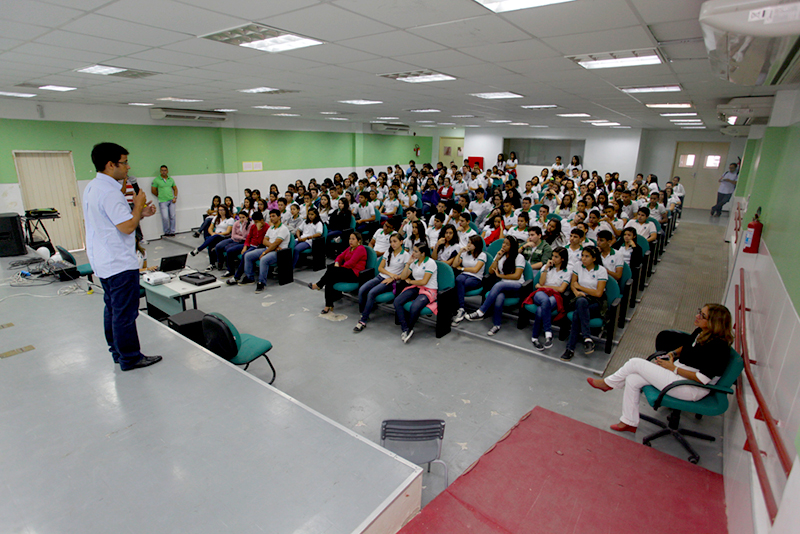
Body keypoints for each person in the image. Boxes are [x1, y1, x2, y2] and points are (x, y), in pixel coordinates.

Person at [587, 304, 734, 433]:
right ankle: (629, 422)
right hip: (680, 375)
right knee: (633, 379)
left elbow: (703, 379)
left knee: (635, 363)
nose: (697, 316)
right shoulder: (701, 332)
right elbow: (688, 346)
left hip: (690, 387)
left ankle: (608, 384)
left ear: (714, 322)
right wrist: (673, 353)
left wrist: (673, 369)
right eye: (699, 312)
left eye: (702, 315)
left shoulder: (719, 347)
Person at [83, 142, 160, 371]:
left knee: (112, 308)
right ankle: (130, 357)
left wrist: (140, 213)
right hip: (118, 262)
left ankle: (117, 352)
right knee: (125, 313)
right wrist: (137, 205)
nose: (128, 167)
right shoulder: (110, 192)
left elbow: (116, 221)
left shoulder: (93, 187)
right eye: (124, 162)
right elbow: (127, 228)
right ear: (110, 164)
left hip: (104, 260)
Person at [465, 236, 526, 336]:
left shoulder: (519, 257)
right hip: (503, 286)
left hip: (516, 285)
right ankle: (496, 325)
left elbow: (517, 276)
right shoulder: (501, 255)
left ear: (513, 246)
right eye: (503, 243)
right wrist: (497, 259)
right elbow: (490, 271)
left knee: (498, 284)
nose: (504, 246)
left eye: (507, 244)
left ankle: (481, 311)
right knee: (499, 298)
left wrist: (500, 276)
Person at [353, 234, 410, 332]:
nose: (392, 244)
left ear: (401, 242)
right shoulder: (389, 251)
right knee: (362, 289)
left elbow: (405, 275)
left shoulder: (405, 255)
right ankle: (364, 312)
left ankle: (363, 321)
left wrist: (392, 278)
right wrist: (390, 274)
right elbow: (380, 268)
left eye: (395, 241)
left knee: (372, 293)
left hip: (392, 281)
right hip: (381, 276)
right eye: (391, 241)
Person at [561, 246, 607, 361]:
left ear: (594, 258)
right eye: (582, 256)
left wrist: (580, 288)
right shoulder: (578, 266)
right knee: (581, 302)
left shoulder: (601, 270)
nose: (583, 259)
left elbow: (598, 293)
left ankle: (570, 349)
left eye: (587, 256)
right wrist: (576, 292)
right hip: (580, 298)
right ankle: (587, 338)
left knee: (577, 315)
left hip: (596, 302)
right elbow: (573, 284)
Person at [310, 232, 367, 314]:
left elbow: (351, 263)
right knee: (330, 279)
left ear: (359, 241)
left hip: (355, 274)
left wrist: (339, 268)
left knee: (331, 270)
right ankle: (328, 305)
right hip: (346, 270)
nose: (350, 241)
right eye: (350, 238)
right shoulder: (350, 248)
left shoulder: (360, 249)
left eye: (353, 239)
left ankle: (319, 285)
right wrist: (337, 263)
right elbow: (340, 256)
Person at [394, 242, 438, 343]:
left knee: (414, 307)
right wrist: (408, 263)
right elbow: (404, 276)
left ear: (423, 253)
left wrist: (410, 281)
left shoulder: (430, 263)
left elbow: (424, 281)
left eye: (415, 251)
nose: (412, 253)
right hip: (417, 287)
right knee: (397, 301)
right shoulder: (414, 262)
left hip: (429, 289)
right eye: (413, 250)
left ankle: (410, 328)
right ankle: (405, 328)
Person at [528, 246, 571, 349]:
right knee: (545, 301)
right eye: (552, 256)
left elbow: (561, 289)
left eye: (556, 257)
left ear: (563, 259)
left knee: (540, 310)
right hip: (541, 293)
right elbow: (541, 282)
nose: (553, 259)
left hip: (555, 296)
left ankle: (534, 337)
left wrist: (544, 286)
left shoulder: (567, 271)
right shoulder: (546, 267)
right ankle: (548, 333)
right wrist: (546, 268)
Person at [451, 235, 487, 324]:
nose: (468, 245)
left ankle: (458, 309)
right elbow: (455, 265)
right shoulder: (465, 253)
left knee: (459, 283)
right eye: (468, 242)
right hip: (464, 276)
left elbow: (475, 270)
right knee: (459, 280)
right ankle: (461, 308)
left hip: (476, 278)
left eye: (471, 243)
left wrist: (462, 269)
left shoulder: (482, 255)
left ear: (476, 245)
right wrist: (459, 253)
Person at [224, 211, 267, 281]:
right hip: (249, 245)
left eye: (256, 222)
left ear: (262, 220)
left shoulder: (266, 228)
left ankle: (237, 277)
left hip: (257, 247)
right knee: (230, 251)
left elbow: (261, 242)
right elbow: (248, 238)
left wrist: (259, 231)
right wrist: (245, 246)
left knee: (245, 255)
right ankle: (230, 271)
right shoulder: (253, 226)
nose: (255, 223)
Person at [151, 164, 177, 237]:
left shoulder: (170, 179)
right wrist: (159, 196)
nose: (163, 172)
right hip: (163, 201)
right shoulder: (156, 180)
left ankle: (172, 231)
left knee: (172, 216)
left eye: (165, 170)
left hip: (171, 200)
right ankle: (166, 232)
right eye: (162, 170)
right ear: (160, 171)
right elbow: (153, 190)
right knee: (165, 217)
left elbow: (175, 189)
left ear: (167, 171)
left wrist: (175, 197)